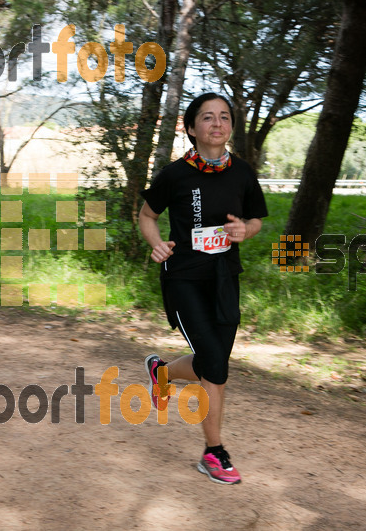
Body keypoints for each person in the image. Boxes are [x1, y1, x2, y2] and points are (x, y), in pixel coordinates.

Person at [138, 92, 268, 485]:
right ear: (192, 128)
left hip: (225, 278)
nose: (217, 124)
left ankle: (161, 373)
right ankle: (214, 452)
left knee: (212, 363)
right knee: (214, 361)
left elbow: (255, 220)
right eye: (207, 118)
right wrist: (156, 243)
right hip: (184, 278)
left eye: (224, 117)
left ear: (230, 126)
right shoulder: (175, 175)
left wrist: (246, 230)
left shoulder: (242, 172)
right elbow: (146, 215)